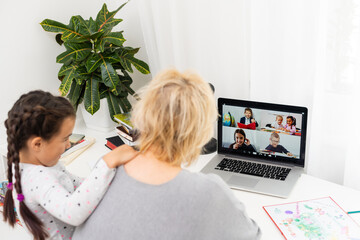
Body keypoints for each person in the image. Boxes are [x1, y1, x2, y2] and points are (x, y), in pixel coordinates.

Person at [73, 69, 261, 240]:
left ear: (143, 114)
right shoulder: (208, 192)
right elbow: (251, 236)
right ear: (201, 132)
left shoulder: (105, 169)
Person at [2, 90, 137, 240]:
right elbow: (72, 213)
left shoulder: (40, 164)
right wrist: (106, 163)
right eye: (65, 138)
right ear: (38, 144)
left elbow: (75, 182)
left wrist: (107, 180)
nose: (68, 144)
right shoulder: (36, 179)